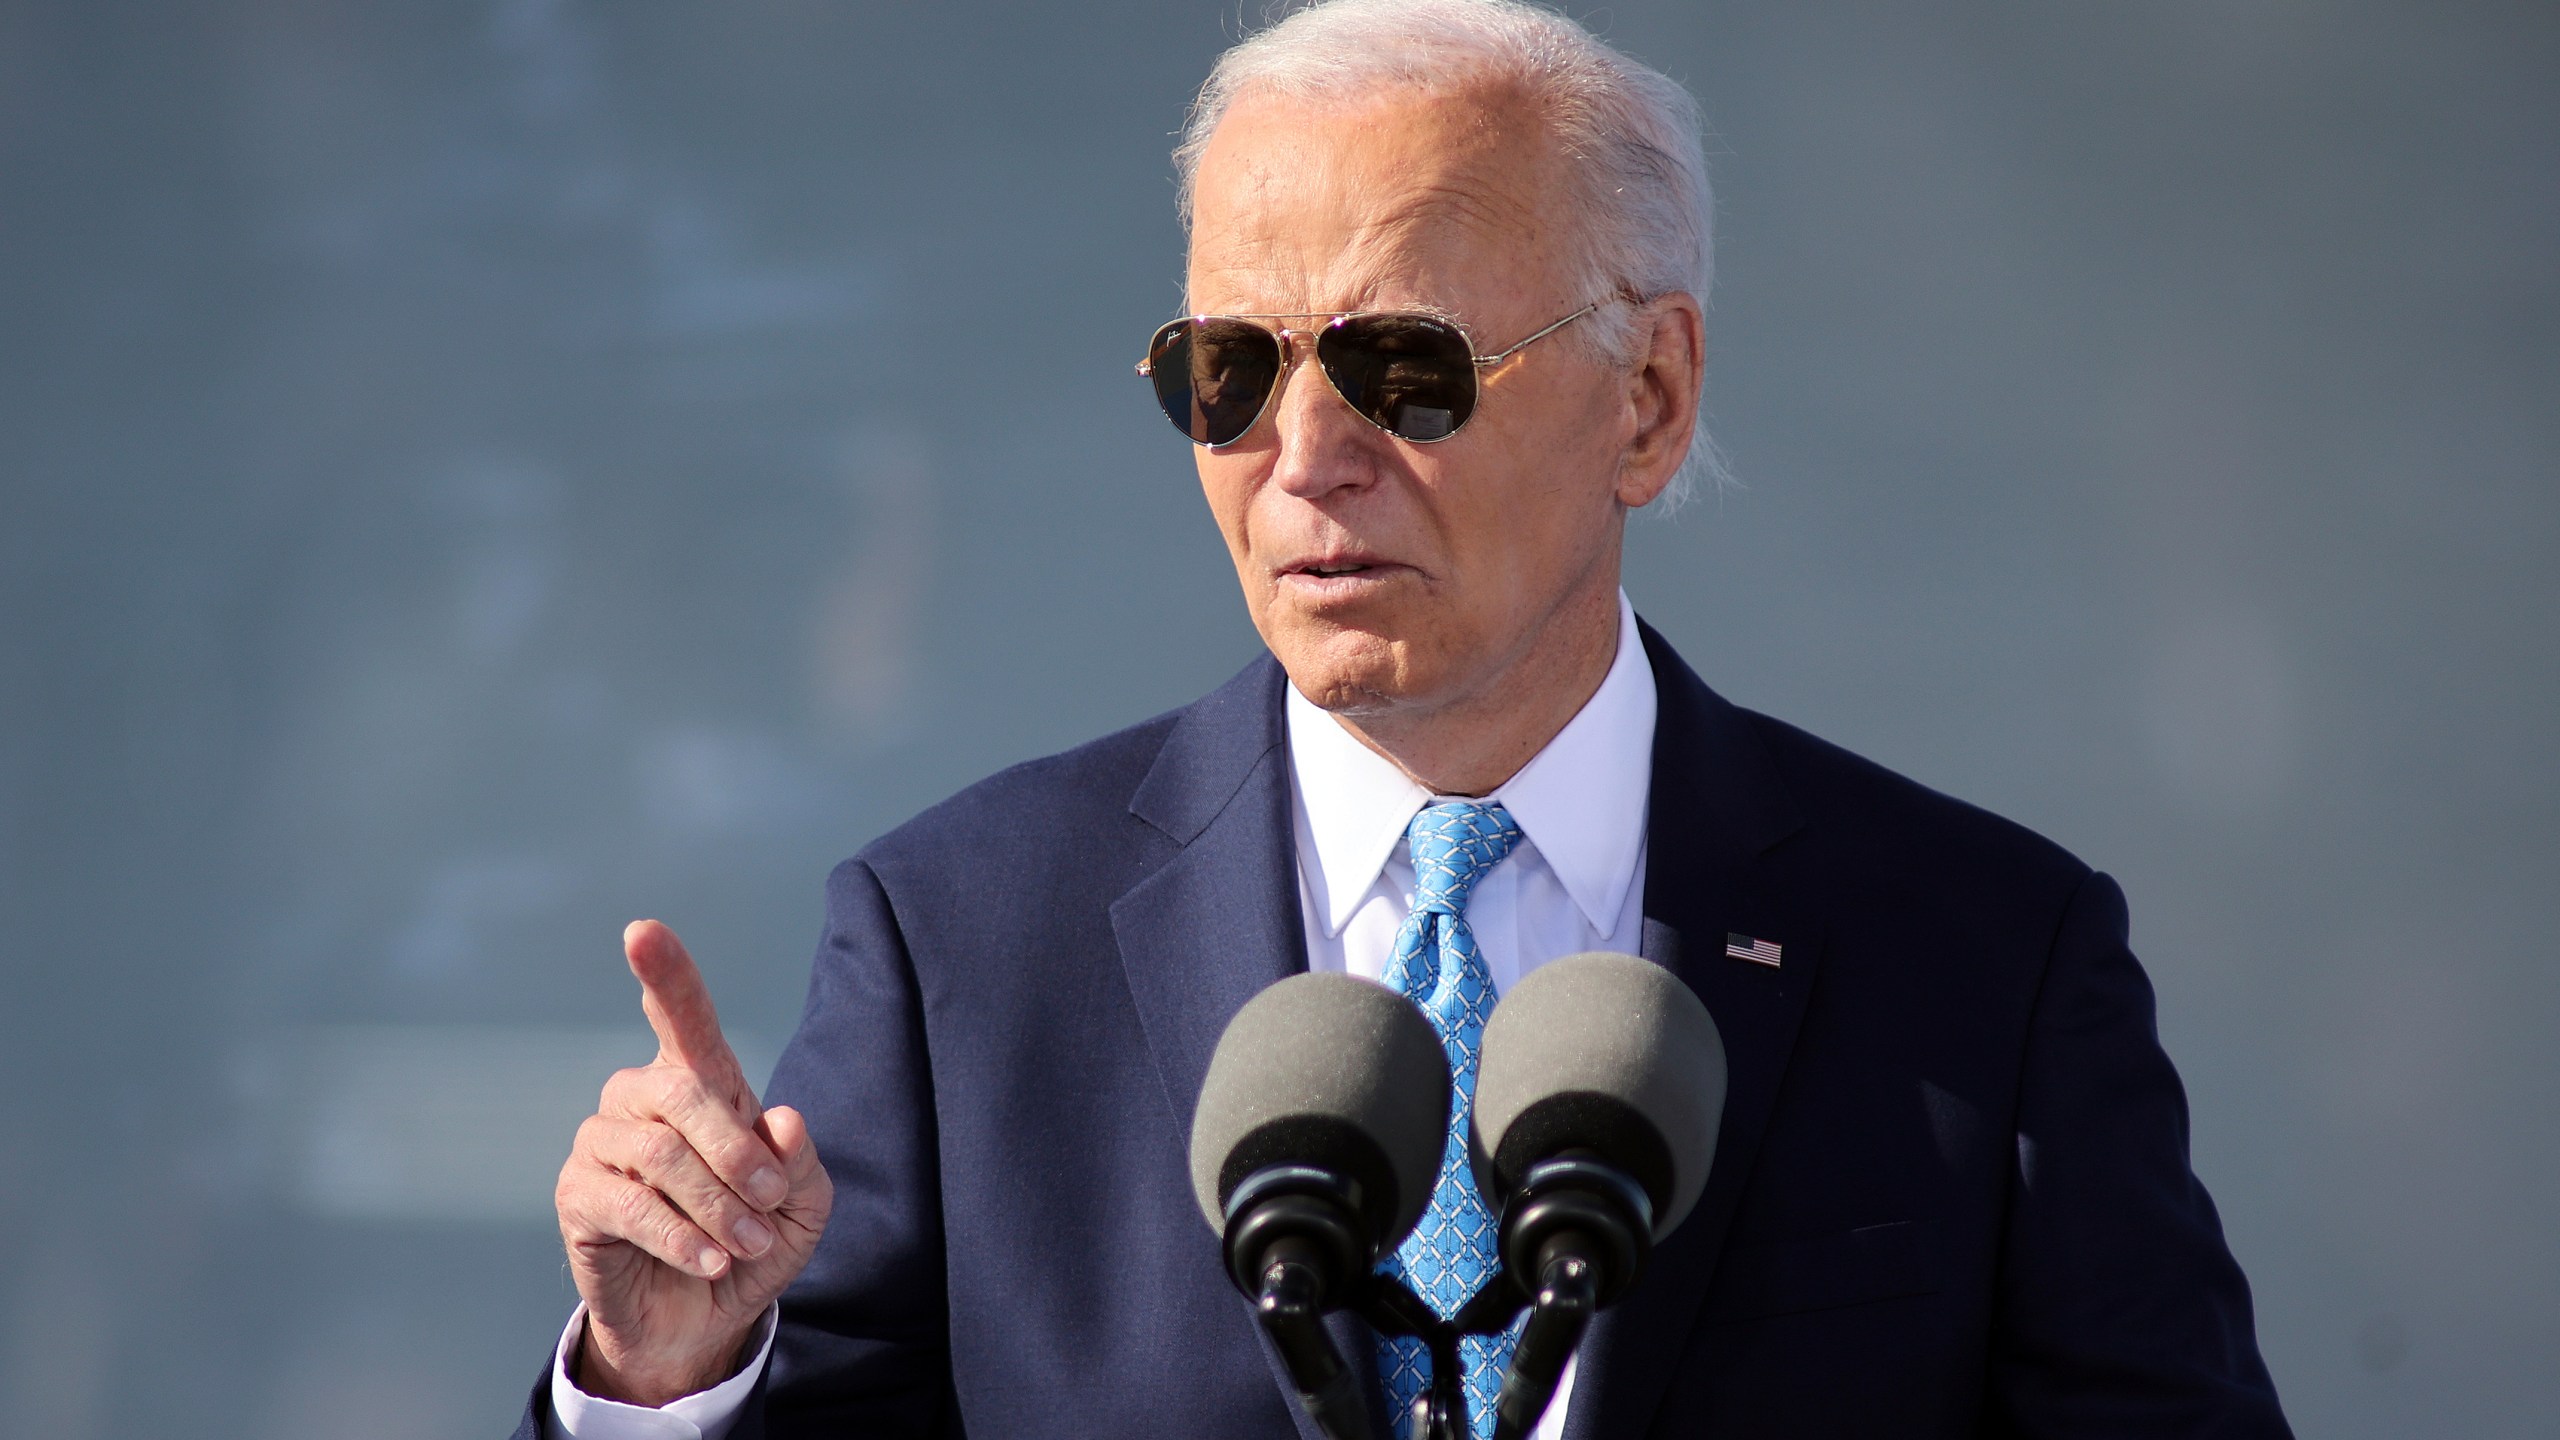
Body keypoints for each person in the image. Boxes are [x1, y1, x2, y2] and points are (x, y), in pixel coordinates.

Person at [522, 2, 2292, 1437]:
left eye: (1403, 366)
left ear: (1651, 399)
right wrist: (669, 1384)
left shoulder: (1981, 956)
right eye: (1227, 372)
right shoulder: (962, 946)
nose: (1305, 457)